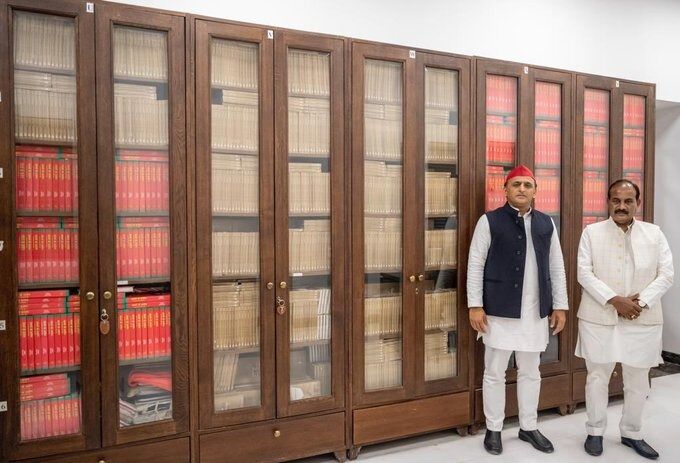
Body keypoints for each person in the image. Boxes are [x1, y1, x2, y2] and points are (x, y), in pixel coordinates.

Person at [467, 165, 568, 455]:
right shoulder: (489, 221)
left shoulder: (546, 223)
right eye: (516, 184)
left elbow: (556, 267)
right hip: (498, 310)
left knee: (531, 371)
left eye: (527, 185)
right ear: (505, 189)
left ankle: (529, 426)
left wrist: (560, 305)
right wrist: (475, 305)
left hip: (535, 312)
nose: (522, 189)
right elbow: (475, 264)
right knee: (494, 371)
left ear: (535, 191)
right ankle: (494, 428)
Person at [576, 179, 674, 460]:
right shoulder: (591, 232)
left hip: (642, 317)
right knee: (597, 377)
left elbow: (666, 274)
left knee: (638, 379)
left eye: (628, 201)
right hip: (599, 316)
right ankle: (595, 431)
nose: (621, 206)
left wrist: (638, 302)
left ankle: (632, 432)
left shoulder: (654, 234)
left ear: (637, 203)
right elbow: (584, 273)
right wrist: (615, 300)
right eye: (616, 200)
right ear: (608, 202)